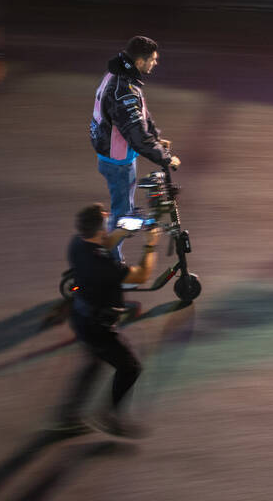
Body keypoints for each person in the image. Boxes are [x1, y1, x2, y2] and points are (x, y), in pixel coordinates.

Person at [50, 203, 161, 438]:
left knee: (93, 362)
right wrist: (150, 245)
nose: (109, 223)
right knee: (130, 368)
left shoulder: (77, 244)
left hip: (81, 317)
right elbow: (142, 275)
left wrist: (122, 231)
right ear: (100, 230)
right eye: (106, 222)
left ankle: (67, 417)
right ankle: (108, 417)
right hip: (97, 327)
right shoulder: (105, 266)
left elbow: (101, 244)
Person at [90, 36, 180, 251]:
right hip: (118, 161)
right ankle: (112, 264)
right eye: (153, 59)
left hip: (113, 154)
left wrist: (156, 139)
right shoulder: (124, 91)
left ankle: (110, 229)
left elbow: (142, 116)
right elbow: (137, 135)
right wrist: (166, 158)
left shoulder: (120, 75)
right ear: (140, 61)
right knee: (123, 214)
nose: (155, 63)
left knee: (124, 209)